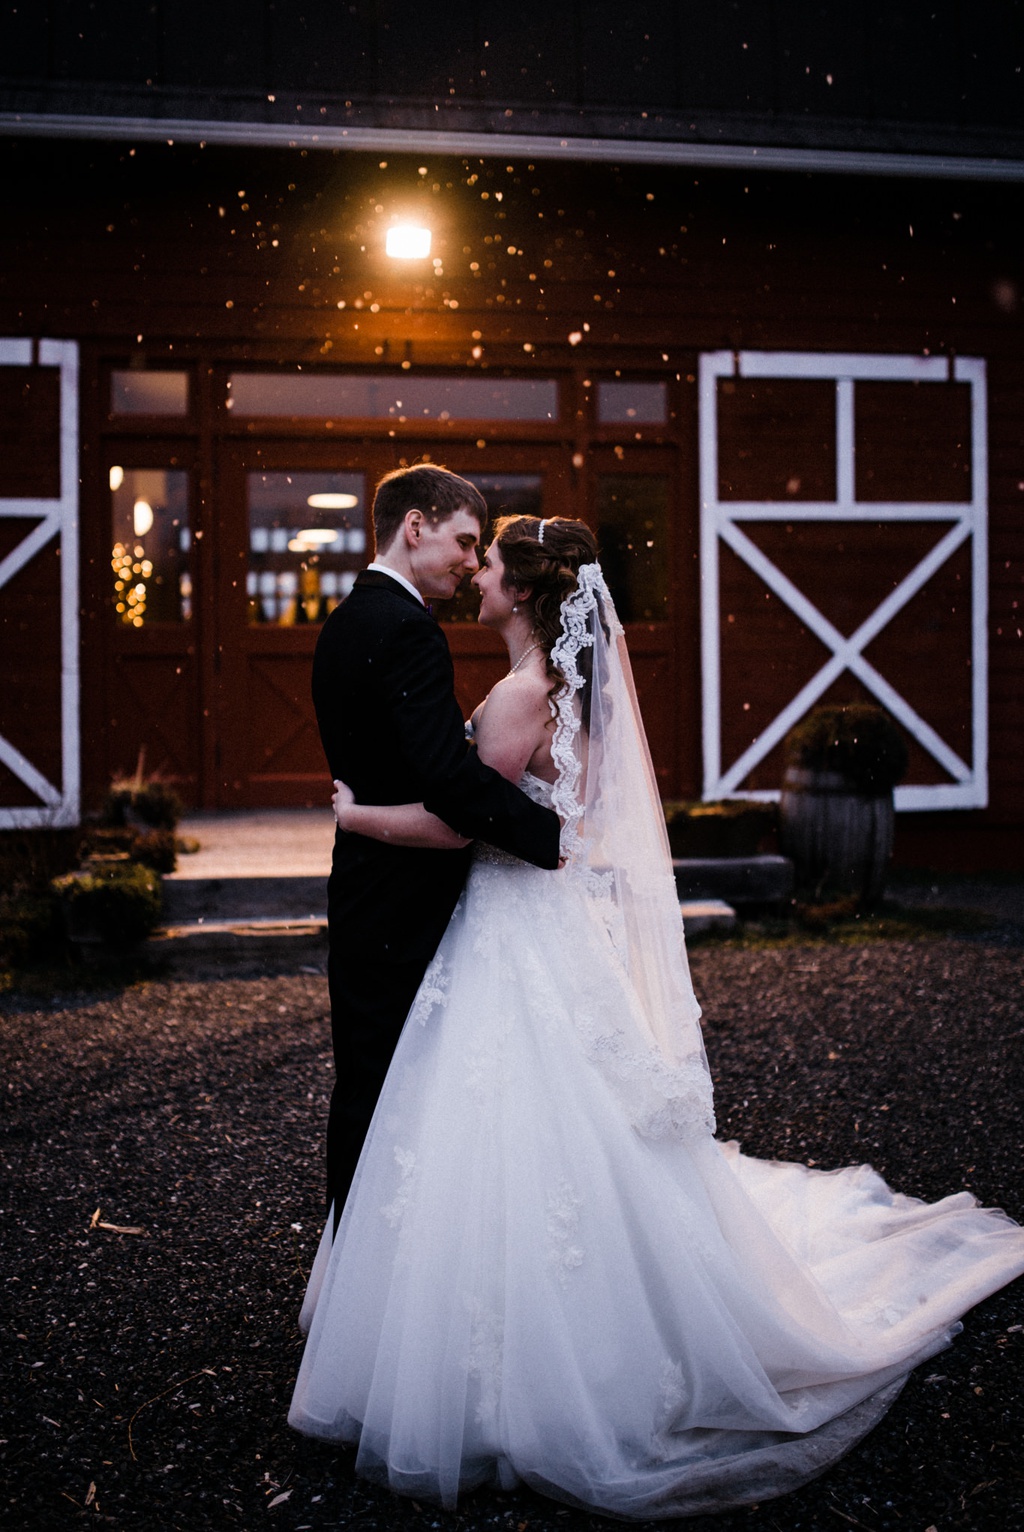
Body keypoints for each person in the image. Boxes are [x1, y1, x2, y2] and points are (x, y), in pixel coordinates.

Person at [291, 515, 1024, 1520]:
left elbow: (465, 817)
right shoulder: (567, 690)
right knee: (572, 1125)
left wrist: (354, 814)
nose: (477, 576)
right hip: (545, 927)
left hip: (509, 932)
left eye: (491, 563)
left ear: (525, 592)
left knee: (503, 1120)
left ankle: (518, 1362)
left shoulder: (516, 694)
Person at [310, 467, 561, 1229]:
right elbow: (450, 782)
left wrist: (358, 818)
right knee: (391, 1085)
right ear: (413, 527)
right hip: (402, 896)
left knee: (370, 1080)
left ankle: (357, 1263)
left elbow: (400, 761)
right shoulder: (409, 628)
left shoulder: (346, 620)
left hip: (364, 889)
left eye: (478, 549)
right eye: (462, 540)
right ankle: (366, 1268)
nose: (468, 558)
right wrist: (555, 834)